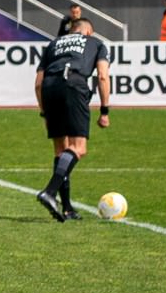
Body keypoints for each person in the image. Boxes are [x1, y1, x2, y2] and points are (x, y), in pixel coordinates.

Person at [32, 19, 112, 223]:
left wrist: (44, 113)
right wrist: (104, 111)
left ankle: (66, 208)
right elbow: (102, 76)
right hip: (73, 84)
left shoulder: (54, 44)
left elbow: (38, 84)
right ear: (87, 31)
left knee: (61, 150)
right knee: (79, 148)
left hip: (50, 88)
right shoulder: (95, 43)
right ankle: (50, 192)